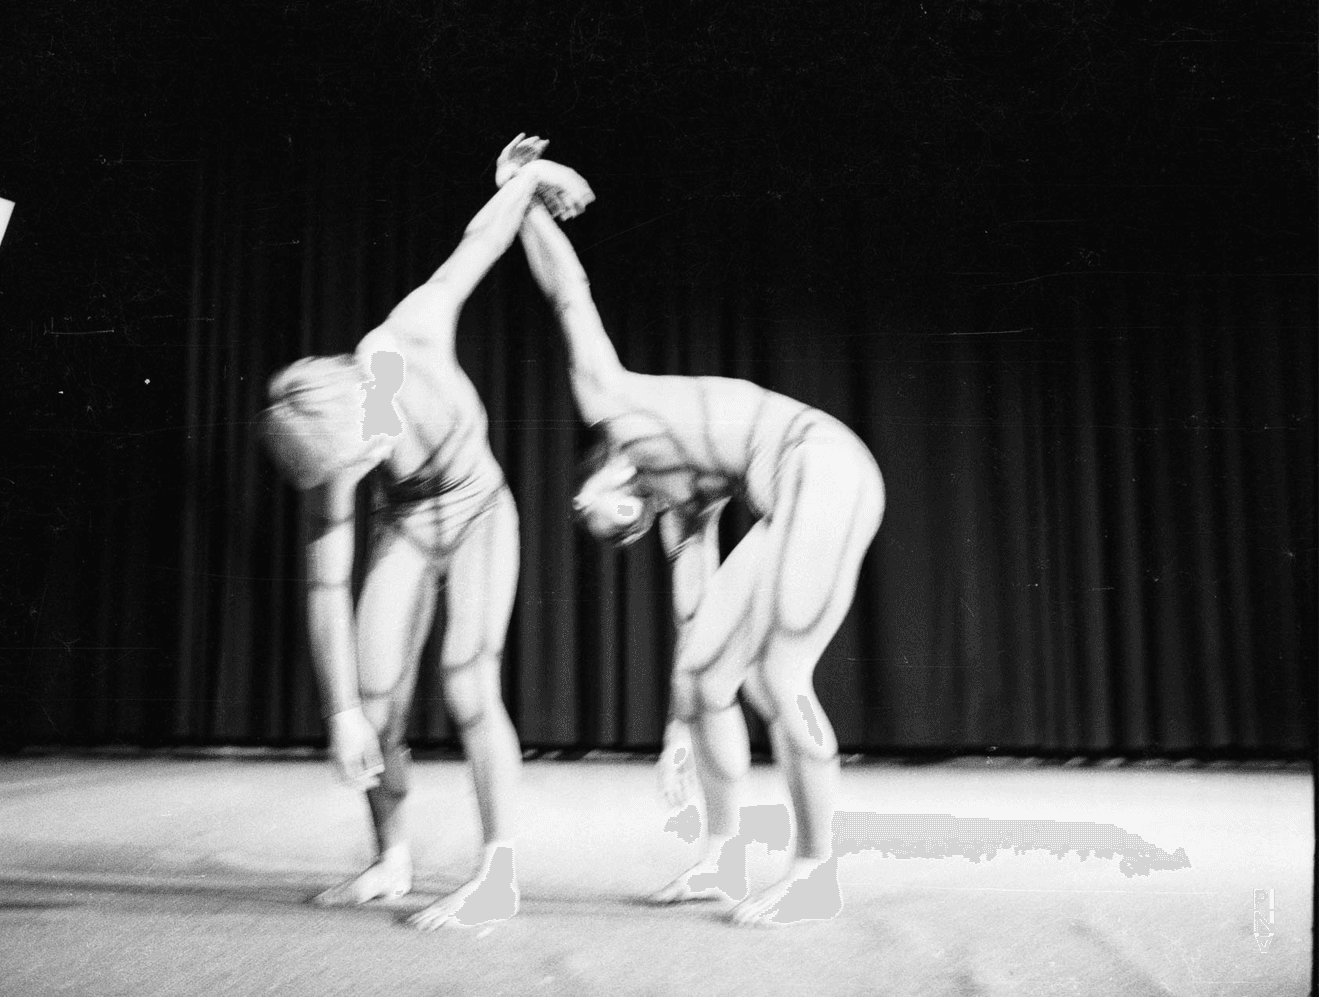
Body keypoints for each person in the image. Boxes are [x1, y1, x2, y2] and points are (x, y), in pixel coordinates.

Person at [496, 135, 885, 926]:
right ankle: (722, 852)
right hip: (799, 487)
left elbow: (569, 294)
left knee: (778, 679)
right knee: (711, 679)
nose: (633, 528)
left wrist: (520, 194)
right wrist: (680, 726)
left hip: (823, 467)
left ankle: (816, 868)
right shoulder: (687, 500)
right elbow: (693, 623)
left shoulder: (614, 401)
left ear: (594, 486)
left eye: (620, 522)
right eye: (631, 533)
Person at [261, 151, 596, 931]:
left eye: (363, 450)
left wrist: (520, 178)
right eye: (350, 466)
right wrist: (340, 711)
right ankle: (390, 859)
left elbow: (479, 243)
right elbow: (324, 590)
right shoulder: (332, 466)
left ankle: (498, 873)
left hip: (480, 511)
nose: (364, 464)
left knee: (469, 682)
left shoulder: (407, 334)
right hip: (410, 526)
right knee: (376, 705)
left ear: (357, 386)